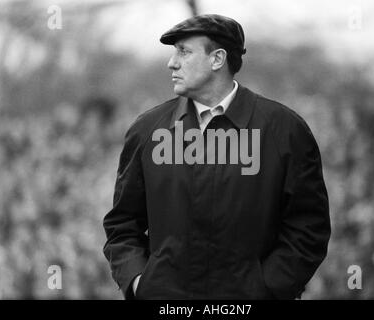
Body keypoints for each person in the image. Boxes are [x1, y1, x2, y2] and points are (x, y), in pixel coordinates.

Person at [103, 14, 331, 300]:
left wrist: (267, 290)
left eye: (184, 51)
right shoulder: (147, 130)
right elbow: (122, 224)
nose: (172, 62)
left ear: (217, 59)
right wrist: (141, 283)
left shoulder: (284, 131)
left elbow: (308, 228)